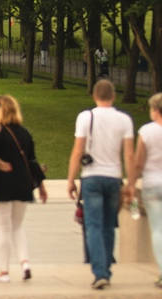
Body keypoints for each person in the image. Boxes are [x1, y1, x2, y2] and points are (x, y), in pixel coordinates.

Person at [67, 78, 135, 288]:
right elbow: (129, 155)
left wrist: (71, 179)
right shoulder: (124, 120)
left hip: (91, 177)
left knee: (93, 225)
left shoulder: (85, 117)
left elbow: (78, 150)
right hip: (113, 177)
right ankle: (106, 266)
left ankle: (99, 272)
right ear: (113, 96)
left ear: (95, 96)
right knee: (108, 225)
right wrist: (130, 184)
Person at [0, 95, 46, 282]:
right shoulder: (24, 133)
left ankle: (4, 271)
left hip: (2, 185)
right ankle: (25, 263)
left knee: (2, 229)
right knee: (17, 226)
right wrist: (42, 185)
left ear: (0, 110)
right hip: (23, 185)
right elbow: (32, 160)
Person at [135, 93, 162, 287]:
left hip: (152, 183)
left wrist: (131, 185)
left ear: (155, 110)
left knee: (158, 229)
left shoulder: (146, 131)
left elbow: (138, 162)